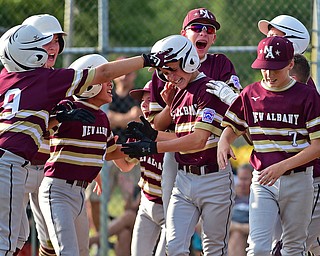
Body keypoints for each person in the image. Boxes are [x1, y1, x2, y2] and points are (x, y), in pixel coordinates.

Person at [0, 23, 173, 256]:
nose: (110, 83)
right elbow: (103, 73)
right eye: (41, 44)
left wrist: (145, 146)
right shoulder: (61, 98)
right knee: (13, 240)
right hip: (43, 181)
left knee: (25, 238)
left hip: (70, 189)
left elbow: (114, 154)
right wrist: (148, 59)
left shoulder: (99, 117)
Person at [122, 35, 235, 255]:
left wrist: (152, 146)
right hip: (183, 180)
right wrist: (153, 135)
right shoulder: (178, 92)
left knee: (213, 248)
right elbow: (180, 135)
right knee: (173, 248)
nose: (170, 77)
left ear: (189, 60)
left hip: (214, 179)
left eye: (173, 69)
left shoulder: (208, 88)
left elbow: (198, 140)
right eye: (165, 73)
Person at [217, 36, 320, 256]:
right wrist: (224, 141)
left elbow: (317, 146)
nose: (269, 74)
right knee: (259, 247)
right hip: (263, 180)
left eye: (276, 68)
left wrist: (282, 167)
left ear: (290, 64)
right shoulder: (251, 93)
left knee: (293, 248)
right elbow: (234, 126)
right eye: (264, 68)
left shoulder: (308, 96)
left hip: (299, 180)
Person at [148, 7, 239, 233]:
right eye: (196, 28)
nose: (204, 33)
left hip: (211, 152)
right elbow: (156, 125)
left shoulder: (220, 64)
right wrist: (170, 105)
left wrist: (225, 137)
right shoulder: (165, 65)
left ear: (214, 37)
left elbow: (237, 108)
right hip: (177, 152)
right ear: (183, 33)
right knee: (172, 227)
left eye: (209, 30)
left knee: (212, 237)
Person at [17, 14, 68, 256]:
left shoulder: (60, 80)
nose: (53, 47)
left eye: (57, 40)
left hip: (49, 169)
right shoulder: (15, 79)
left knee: (51, 237)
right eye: (46, 40)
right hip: (17, 167)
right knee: (12, 235)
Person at [271, 54, 320, 256]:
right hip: (275, 181)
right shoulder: (270, 94)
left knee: (304, 245)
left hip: (310, 178)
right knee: (277, 245)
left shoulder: (307, 97)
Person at [228, 163, 253, 256]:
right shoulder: (230, 195)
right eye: (240, 179)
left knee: (237, 235)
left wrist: (237, 227)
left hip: (250, 234)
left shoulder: (259, 198)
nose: (242, 183)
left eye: (245, 179)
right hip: (228, 233)